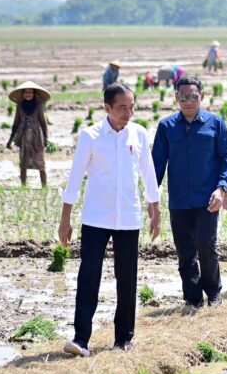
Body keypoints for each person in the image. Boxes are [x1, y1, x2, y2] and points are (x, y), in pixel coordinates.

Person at [59, 83, 161, 357]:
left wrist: (156, 209)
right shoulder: (90, 136)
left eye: (131, 107)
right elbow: (74, 179)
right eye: (122, 108)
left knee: (127, 279)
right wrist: (65, 219)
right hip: (96, 218)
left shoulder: (138, 134)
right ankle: (81, 339)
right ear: (107, 108)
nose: (128, 112)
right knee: (88, 276)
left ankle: (124, 339)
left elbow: (148, 174)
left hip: (128, 218)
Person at [152, 76, 227, 307]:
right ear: (177, 98)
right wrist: (151, 197)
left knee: (206, 246)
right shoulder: (166, 127)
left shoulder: (215, 124)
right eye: (183, 97)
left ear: (202, 97)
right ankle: (192, 298)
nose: (188, 101)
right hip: (178, 199)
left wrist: (222, 189)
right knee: (185, 251)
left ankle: (214, 292)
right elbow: (156, 165)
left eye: (193, 96)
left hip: (208, 198)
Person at [6, 81, 50, 187]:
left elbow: (43, 123)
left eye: (30, 92)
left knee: (40, 162)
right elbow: (16, 123)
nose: (28, 94)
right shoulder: (19, 106)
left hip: (37, 138)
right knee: (23, 163)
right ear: (23, 94)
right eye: (26, 92)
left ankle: (44, 186)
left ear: (34, 93)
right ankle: (23, 186)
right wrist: (10, 140)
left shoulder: (39, 106)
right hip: (23, 137)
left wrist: (46, 138)